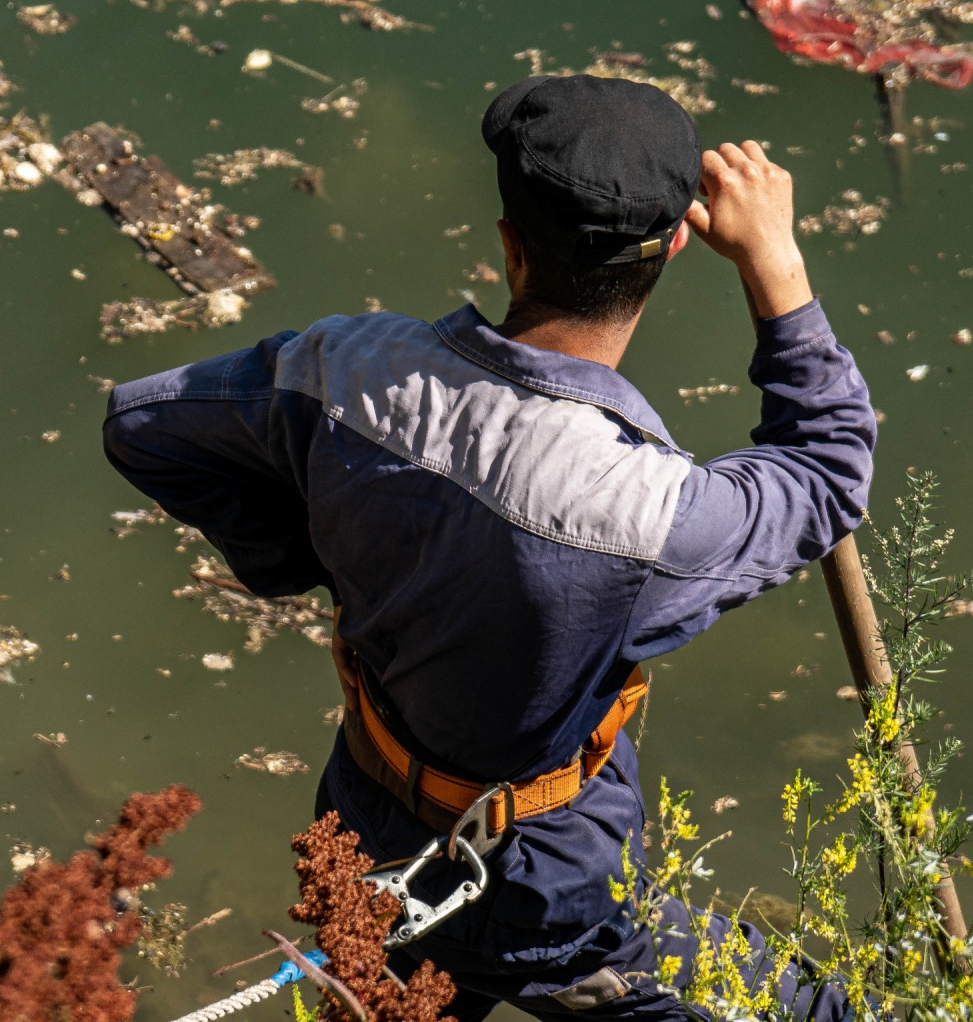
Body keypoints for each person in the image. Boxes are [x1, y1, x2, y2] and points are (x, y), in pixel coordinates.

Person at [102, 75, 867, 1019]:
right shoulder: (652, 513)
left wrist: (320, 554)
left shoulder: (343, 372)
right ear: (673, 246)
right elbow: (829, 469)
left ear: (510, 243)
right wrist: (775, 264)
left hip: (368, 844)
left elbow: (145, 426)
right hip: (548, 900)